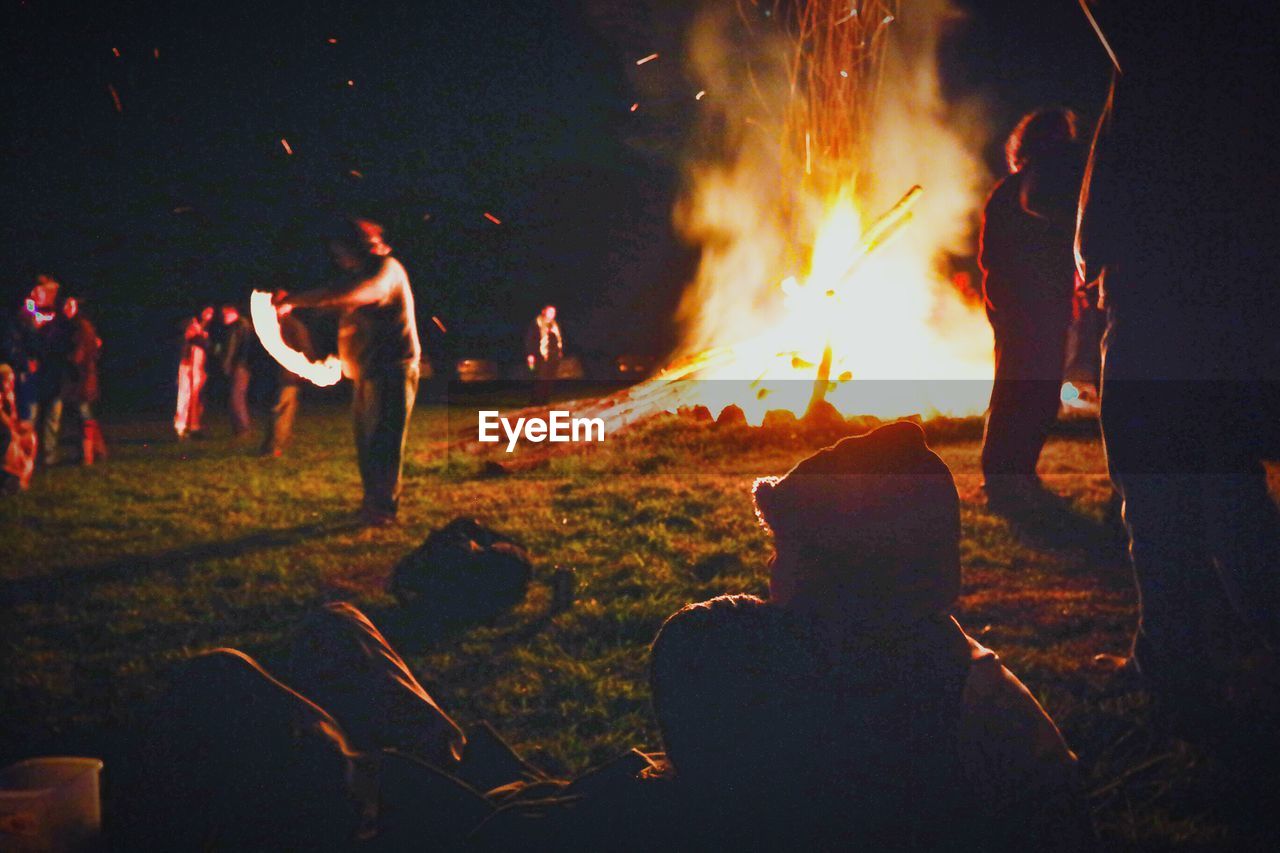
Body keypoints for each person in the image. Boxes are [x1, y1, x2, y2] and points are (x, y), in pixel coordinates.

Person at [751, 420, 1096, 849]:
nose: (769, 567)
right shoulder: (908, 649)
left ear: (841, 575)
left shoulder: (919, 699)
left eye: (782, 554)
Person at [1075, 6, 1280, 704]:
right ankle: (1175, 652)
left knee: (1167, 505)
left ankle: (1175, 663)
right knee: (1225, 499)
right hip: (1207, 326)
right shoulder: (1228, 84)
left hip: (1157, 325)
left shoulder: (1160, 79)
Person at [277, 218, 421, 525]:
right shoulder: (359, 273)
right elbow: (332, 290)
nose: (339, 259)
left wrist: (294, 301)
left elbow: (353, 294)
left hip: (391, 369)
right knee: (367, 441)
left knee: (384, 440)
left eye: (342, 252)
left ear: (359, 247)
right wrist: (295, 300)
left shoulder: (386, 271)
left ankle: (383, 509)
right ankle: (373, 502)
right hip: (367, 370)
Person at [978, 109, 1084, 507]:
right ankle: (1006, 479)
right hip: (1026, 310)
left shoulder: (1017, 189)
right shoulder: (1028, 189)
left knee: (1029, 394)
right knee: (1021, 393)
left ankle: (1015, 476)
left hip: (1030, 308)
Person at [21, 275, 73, 465]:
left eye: (53, 290)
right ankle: (27, 456)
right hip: (34, 375)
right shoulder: (28, 314)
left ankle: (49, 457)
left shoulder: (60, 317)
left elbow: (65, 343)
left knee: (52, 418)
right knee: (30, 417)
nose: (51, 294)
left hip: (54, 374)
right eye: (46, 290)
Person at [261, 301, 314, 457]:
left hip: (288, 376)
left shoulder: (292, 325)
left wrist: (303, 371)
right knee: (280, 409)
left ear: (288, 307)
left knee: (281, 409)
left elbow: (305, 349)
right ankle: (273, 444)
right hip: (278, 375)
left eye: (279, 305)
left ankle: (275, 447)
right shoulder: (274, 325)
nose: (275, 308)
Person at [59, 296, 107, 465]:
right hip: (83, 376)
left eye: (69, 304)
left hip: (81, 377)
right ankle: (96, 451)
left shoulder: (80, 326)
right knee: (84, 414)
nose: (65, 308)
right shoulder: (78, 325)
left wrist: (66, 361)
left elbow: (80, 353)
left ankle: (88, 456)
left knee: (84, 415)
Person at [174, 306, 214, 439]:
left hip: (199, 364)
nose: (208, 315)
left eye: (211, 313)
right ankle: (181, 426)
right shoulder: (190, 323)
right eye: (207, 311)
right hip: (187, 363)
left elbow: (207, 345)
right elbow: (188, 338)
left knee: (196, 396)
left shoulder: (207, 328)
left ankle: (194, 426)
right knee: (184, 394)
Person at [217, 303, 255, 439]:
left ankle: (243, 429)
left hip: (240, 366)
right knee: (236, 397)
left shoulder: (237, 327)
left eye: (224, 314)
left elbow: (231, 348)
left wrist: (226, 364)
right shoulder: (243, 326)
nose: (222, 317)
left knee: (236, 398)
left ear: (232, 312)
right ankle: (239, 429)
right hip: (243, 366)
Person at [1, 362, 37, 492]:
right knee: (14, 445)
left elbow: (14, 417)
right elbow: (4, 419)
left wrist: (21, 426)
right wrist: (14, 429)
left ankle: (22, 477)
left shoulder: (10, 395)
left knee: (30, 439)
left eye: (12, 381)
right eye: (7, 381)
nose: (10, 384)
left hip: (10, 430)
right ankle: (10, 479)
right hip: (4, 434)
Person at [524, 304, 562, 405]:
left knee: (550, 380)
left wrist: (559, 352)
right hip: (540, 355)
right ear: (543, 312)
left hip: (553, 356)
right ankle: (535, 401)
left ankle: (545, 401)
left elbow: (558, 340)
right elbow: (530, 339)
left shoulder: (554, 325)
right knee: (540, 379)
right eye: (549, 312)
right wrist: (530, 354)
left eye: (553, 312)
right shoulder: (537, 323)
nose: (552, 314)